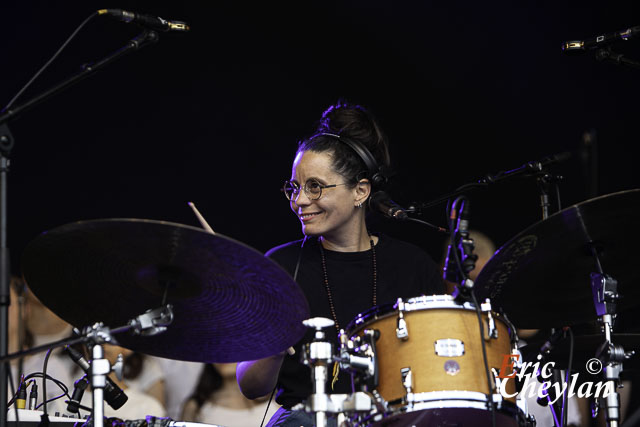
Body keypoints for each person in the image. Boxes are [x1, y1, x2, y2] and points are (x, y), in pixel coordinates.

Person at [236, 101, 444, 426]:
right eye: (295, 187)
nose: (299, 200)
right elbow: (251, 386)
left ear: (360, 191)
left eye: (314, 187)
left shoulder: (413, 265)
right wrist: (278, 341)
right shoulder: (280, 265)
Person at [181, 363, 278, 426]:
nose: (224, 356)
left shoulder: (277, 403)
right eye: (216, 348)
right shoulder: (195, 407)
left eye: (232, 348)